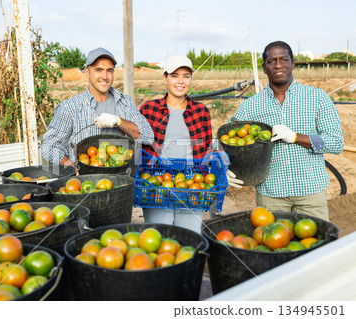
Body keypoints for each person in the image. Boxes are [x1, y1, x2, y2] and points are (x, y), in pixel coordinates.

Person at [229, 41, 344, 220]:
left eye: (283, 59)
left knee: (315, 246)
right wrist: (225, 165)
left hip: (310, 193)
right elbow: (227, 139)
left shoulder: (317, 97)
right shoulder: (249, 106)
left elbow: (335, 142)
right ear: (264, 68)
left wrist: (295, 137)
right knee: (273, 245)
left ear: (293, 63)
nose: (278, 65)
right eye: (271, 61)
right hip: (270, 195)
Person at [139, 54, 214, 233]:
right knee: (158, 237)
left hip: (192, 183)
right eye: (174, 75)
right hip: (156, 183)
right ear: (165, 78)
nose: (180, 81)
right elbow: (138, 146)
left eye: (186, 76)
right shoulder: (148, 109)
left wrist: (219, 162)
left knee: (190, 237)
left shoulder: (201, 111)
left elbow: (207, 148)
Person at [41, 47, 154, 165]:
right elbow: (49, 147)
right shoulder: (69, 108)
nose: (105, 76)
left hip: (123, 178)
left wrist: (118, 121)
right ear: (87, 72)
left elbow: (148, 136)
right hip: (85, 181)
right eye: (98, 70)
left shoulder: (125, 102)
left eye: (109, 70)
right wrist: (73, 168)